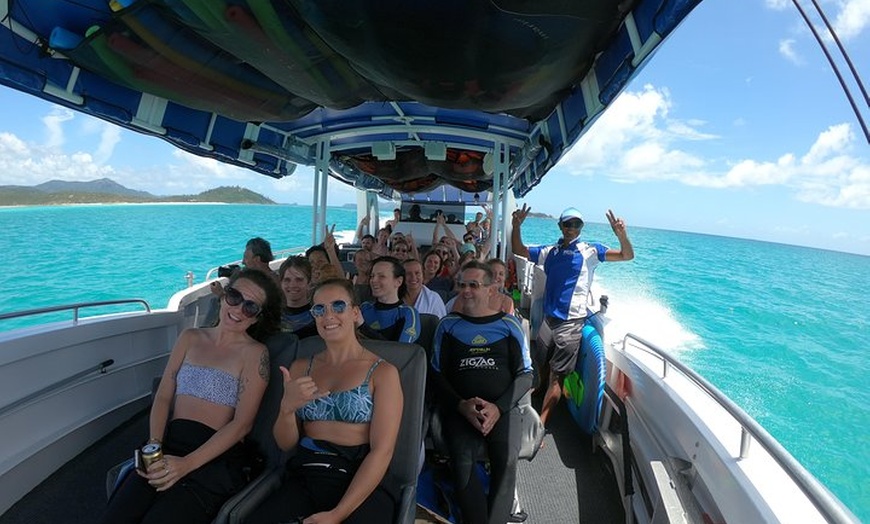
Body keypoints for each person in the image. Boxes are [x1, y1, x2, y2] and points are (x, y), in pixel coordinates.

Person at [100, 269, 282, 524]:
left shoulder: (255, 354)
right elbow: (163, 395)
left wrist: (187, 464)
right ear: (222, 297)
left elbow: (242, 425)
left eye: (250, 307)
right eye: (234, 296)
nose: (239, 308)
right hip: (167, 442)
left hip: (213, 456)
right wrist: (154, 446)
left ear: (256, 319)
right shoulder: (190, 337)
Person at [248, 279, 403, 523]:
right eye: (319, 309)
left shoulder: (383, 373)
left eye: (338, 306)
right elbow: (286, 443)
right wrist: (287, 409)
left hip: (360, 479)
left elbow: (382, 451)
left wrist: (337, 514)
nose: (328, 315)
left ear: (354, 313)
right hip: (309, 473)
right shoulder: (301, 367)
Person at [511, 206, 634, 426]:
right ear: (560, 226)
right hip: (549, 320)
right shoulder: (550, 252)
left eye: (576, 224)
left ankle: (540, 424)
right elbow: (519, 250)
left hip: (571, 325)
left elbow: (627, 255)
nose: (572, 228)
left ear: (581, 228)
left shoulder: (590, 251)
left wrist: (621, 235)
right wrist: (516, 226)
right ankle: (535, 396)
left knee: (556, 377)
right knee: (539, 363)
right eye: (568, 224)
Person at [430, 261, 533, 524]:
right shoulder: (448, 326)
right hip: (460, 409)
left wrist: (498, 408)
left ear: (491, 289)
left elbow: (526, 375)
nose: (465, 291)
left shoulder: (509, 326)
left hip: (503, 408)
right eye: (462, 284)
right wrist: (460, 405)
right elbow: (437, 374)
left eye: (473, 285)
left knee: (506, 463)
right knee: (461, 463)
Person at [360, 257, 421, 344]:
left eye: (381, 276)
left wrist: (362, 327)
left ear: (398, 281)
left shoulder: (407, 313)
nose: (373, 280)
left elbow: (400, 351)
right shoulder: (365, 308)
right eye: (372, 276)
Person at [278, 256, 318, 339]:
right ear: (281, 283)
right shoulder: (273, 316)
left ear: (309, 283)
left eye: (299, 280)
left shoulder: (318, 316)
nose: (292, 285)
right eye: (287, 280)